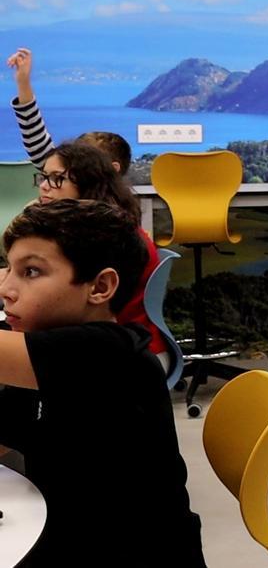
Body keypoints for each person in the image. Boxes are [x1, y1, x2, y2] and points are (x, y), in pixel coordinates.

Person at [0, 199, 205, 565]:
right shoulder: (39, 355)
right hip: (68, 534)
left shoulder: (110, 353)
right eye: (8, 269)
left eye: (30, 272)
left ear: (101, 286)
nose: (7, 289)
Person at [33, 141, 168, 369]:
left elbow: (58, 304)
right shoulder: (90, 227)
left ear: (88, 184)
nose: (45, 186)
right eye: (44, 177)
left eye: (57, 179)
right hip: (109, 342)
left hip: (126, 352)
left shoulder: (103, 238)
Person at [8, 48, 132, 173]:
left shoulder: (66, 182)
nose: (73, 170)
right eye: (72, 162)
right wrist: (23, 82)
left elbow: (36, 140)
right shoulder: (65, 181)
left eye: (84, 164)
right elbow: (35, 137)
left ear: (113, 169)